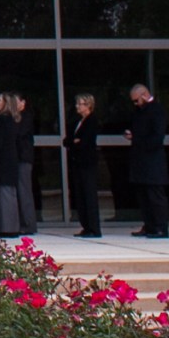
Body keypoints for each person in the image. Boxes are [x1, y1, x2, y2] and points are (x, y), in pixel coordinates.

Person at [123, 84, 169, 238]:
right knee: (143, 196)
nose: (135, 104)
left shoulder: (157, 110)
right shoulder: (138, 112)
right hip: (140, 160)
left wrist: (136, 137)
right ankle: (149, 225)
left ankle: (161, 227)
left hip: (153, 161)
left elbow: (157, 137)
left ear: (144, 95)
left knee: (155, 196)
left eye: (136, 100)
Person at [62, 94, 103, 237]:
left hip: (87, 163)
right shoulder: (77, 122)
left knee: (89, 195)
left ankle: (94, 228)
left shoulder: (92, 121)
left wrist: (75, 142)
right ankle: (86, 226)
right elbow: (67, 141)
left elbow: (85, 142)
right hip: (77, 163)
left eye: (81, 104)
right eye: (77, 104)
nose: (77, 106)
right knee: (80, 195)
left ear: (88, 105)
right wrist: (74, 142)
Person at [0, 93, 26, 238]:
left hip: (4, 162)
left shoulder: (4, 120)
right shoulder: (11, 120)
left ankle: (8, 229)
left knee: (5, 194)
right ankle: (10, 227)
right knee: (8, 194)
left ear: (5, 103)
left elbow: (0, 143)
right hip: (8, 161)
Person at [10, 94, 39, 234]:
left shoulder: (26, 116)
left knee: (25, 191)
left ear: (23, 102)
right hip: (18, 159)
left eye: (17, 102)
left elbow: (19, 133)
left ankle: (29, 224)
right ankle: (22, 223)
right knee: (20, 192)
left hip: (24, 159)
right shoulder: (17, 117)